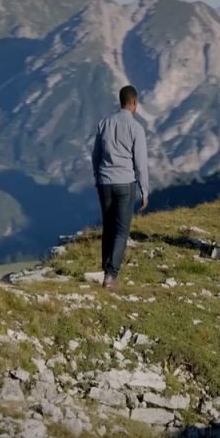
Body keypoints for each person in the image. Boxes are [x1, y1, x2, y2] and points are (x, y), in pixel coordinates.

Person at [91, 85, 149, 290]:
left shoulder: (104, 123)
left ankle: (105, 267)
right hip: (125, 182)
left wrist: (98, 176)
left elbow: (95, 156)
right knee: (121, 230)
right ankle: (111, 275)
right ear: (134, 103)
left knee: (108, 226)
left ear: (121, 101)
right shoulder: (136, 128)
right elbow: (140, 163)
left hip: (105, 182)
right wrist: (144, 190)